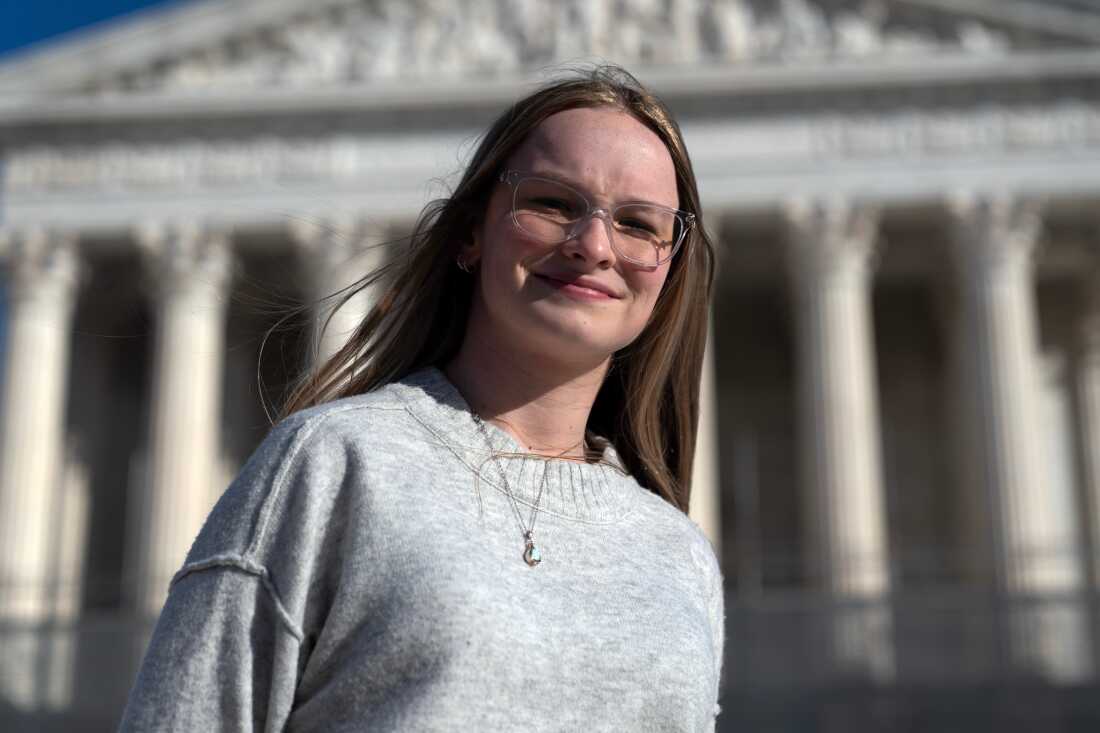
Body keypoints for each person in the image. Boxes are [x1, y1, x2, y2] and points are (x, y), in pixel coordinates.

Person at [119, 65, 724, 732]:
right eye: (552, 203)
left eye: (639, 224)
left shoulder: (680, 553)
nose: (594, 244)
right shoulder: (333, 462)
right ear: (471, 233)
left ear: (669, 271)